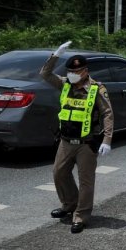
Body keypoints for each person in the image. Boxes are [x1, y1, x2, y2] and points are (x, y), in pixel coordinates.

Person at [41, 41, 114, 234]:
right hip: (65, 141)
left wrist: (106, 140)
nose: (72, 74)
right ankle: (69, 204)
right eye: (70, 71)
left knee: (86, 181)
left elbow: (107, 113)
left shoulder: (96, 88)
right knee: (59, 173)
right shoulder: (65, 84)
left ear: (85, 71)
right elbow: (45, 74)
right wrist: (55, 55)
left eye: (77, 71)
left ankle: (81, 215)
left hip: (86, 144)